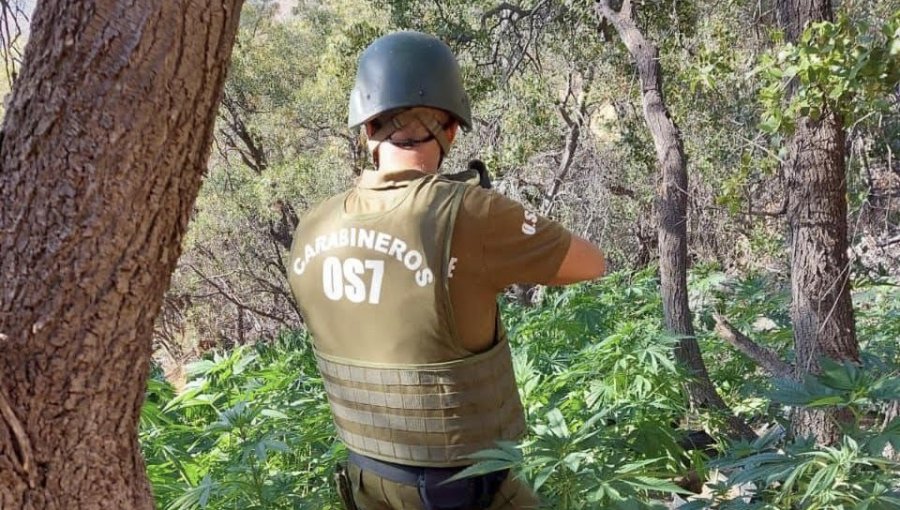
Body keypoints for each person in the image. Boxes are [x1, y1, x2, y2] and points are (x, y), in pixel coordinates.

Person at [287, 30, 605, 510]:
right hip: (458, 487)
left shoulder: (312, 225)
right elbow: (591, 263)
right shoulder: (468, 212)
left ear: (366, 128)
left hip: (366, 479)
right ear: (451, 129)